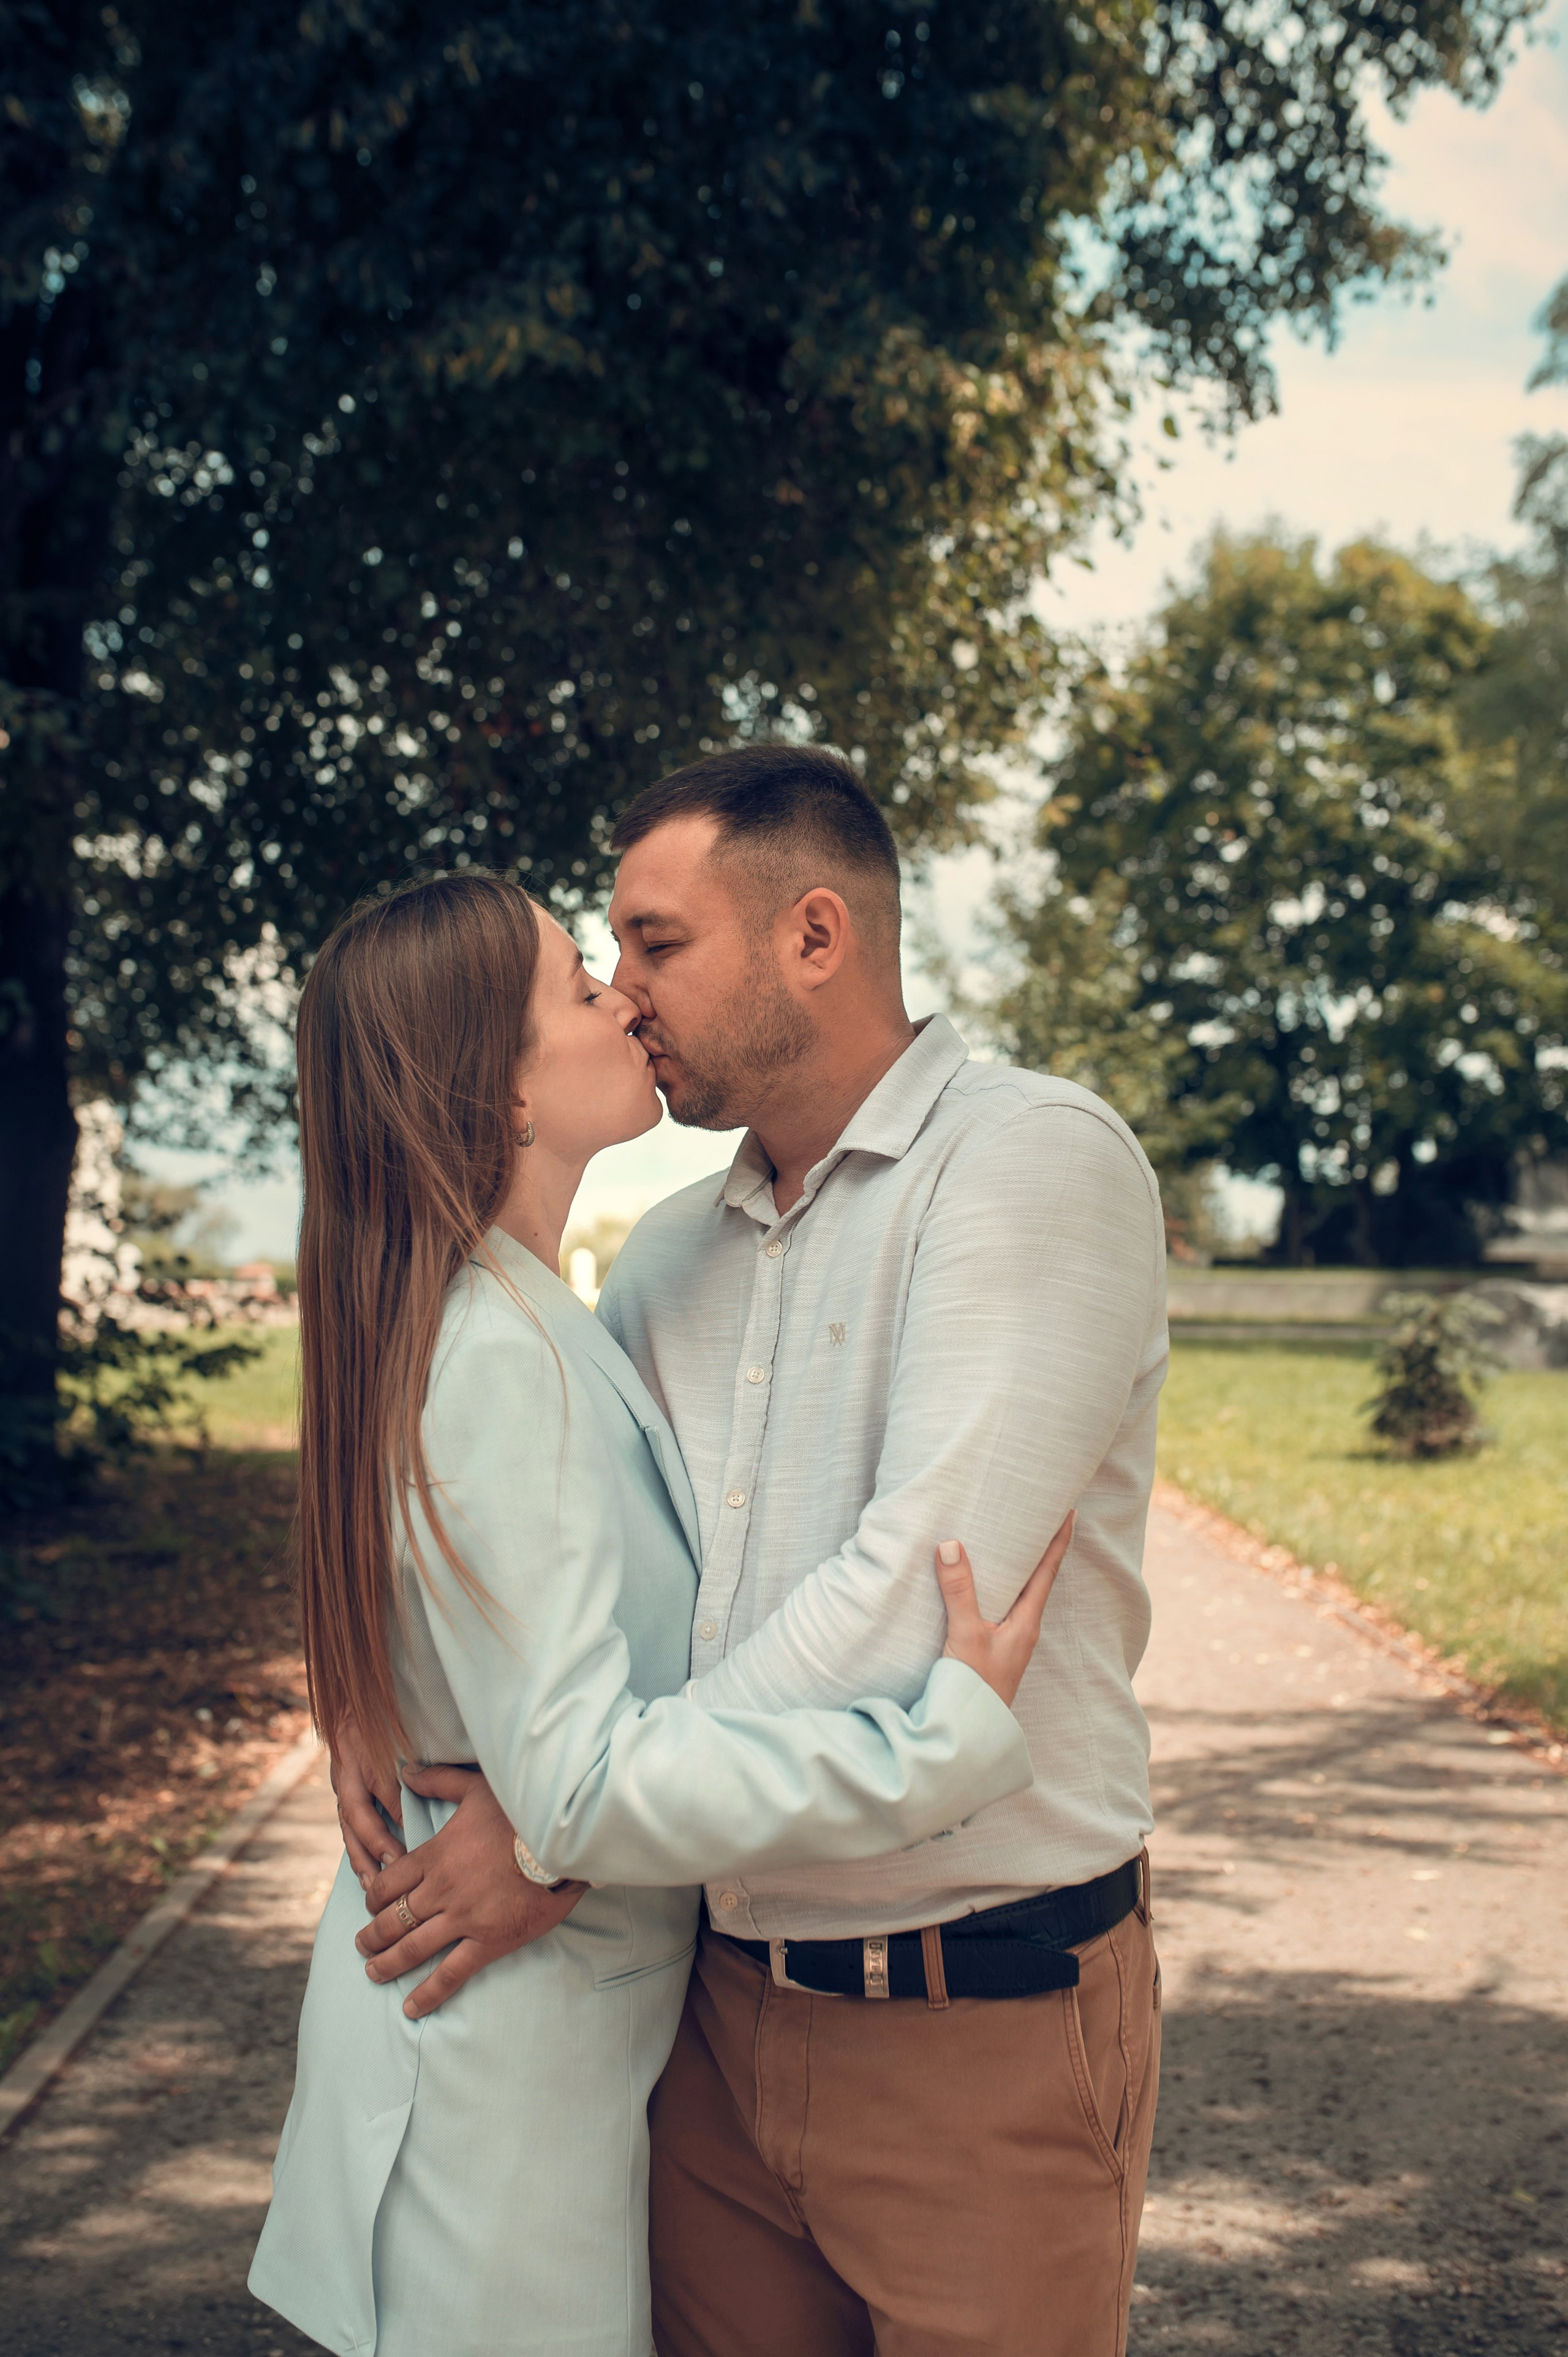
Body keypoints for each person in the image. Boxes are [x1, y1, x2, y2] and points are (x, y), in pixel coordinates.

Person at [339, 745, 1168, 2357]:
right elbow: (575, 1584)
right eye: (606, 960)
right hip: (709, 2025)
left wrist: (566, 1829)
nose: (625, 992)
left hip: (974, 2014)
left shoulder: (1033, 1164)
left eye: (655, 945)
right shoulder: (656, 1267)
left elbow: (914, 1605)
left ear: (811, 937)